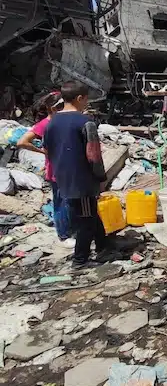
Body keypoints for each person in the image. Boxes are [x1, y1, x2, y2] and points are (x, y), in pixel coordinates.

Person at [44, 81, 108, 269]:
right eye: (86, 100)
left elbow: (47, 150)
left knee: (90, 213)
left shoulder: (51, 122)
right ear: (80, 98)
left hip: (63, 177)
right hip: (82, 181)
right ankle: (80, 260)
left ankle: (104, 246)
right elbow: (94, 155)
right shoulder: (85, 122)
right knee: (86, 220)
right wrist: (101, 179)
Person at [17, 91, 75, 249]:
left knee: (68, 201)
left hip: (68, 167)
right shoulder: (45, 124)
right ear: (55, 109)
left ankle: (70, 229)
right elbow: (22, 141)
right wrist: (42, 151)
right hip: (56, 169)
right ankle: (63, 236)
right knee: (61, 203)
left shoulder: (61, 122)